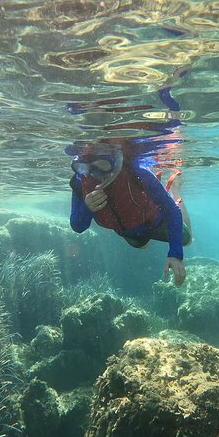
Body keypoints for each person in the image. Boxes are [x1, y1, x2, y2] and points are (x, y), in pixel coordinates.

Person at [68, 69, 192, 285]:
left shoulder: (138, 174)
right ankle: (162, 198)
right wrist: (87, 207)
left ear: (116, 160)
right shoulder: (81, 181)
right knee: (140, 245)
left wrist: (175, 254)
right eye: (89, 167)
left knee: (187, 239)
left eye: (104, 164)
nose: (97, 174)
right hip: (129, 231)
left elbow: (171, 213)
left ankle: (174, 190)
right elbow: (78, 226)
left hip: (155, 220)